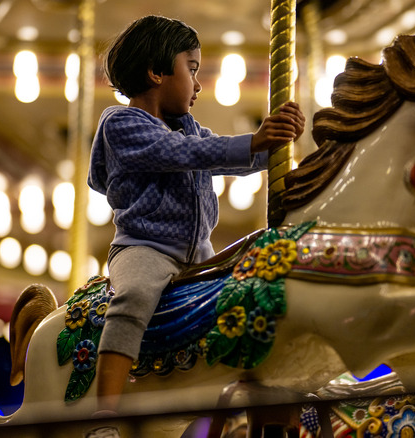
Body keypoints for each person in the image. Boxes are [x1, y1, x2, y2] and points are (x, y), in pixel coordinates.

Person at [87, 15, 306, 417]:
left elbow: (229, 159)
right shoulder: (122, 124)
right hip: (145, 249)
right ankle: (104, 412)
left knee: (249, 297)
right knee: (132, 298)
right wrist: (253, 139)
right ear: (156, 72)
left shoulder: (187, 128)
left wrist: (278, 147)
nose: (199, 84)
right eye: (191, 70)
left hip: (199, 253)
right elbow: (178, 154)